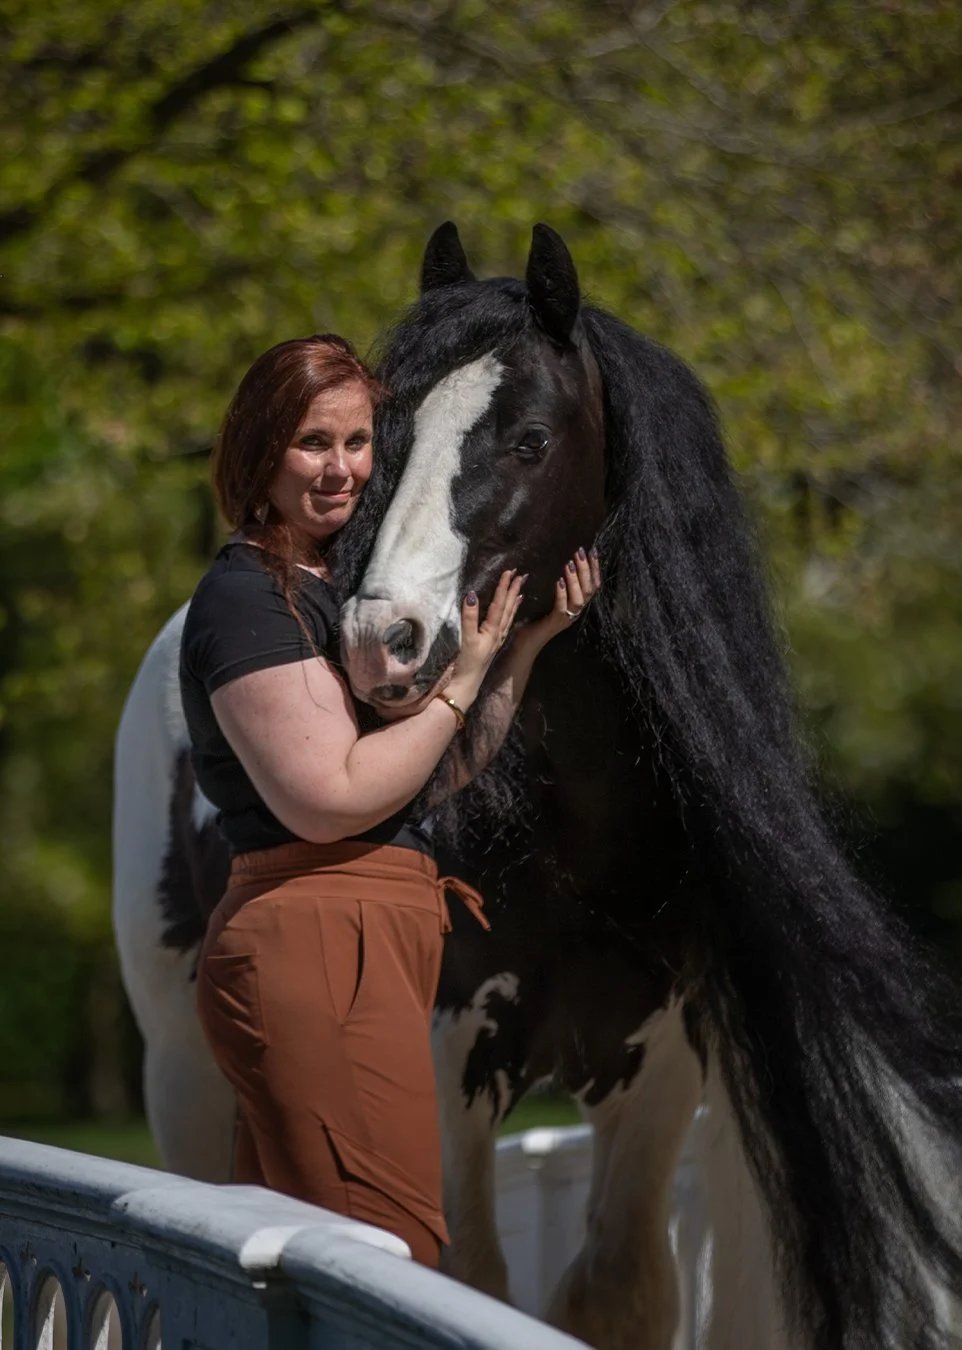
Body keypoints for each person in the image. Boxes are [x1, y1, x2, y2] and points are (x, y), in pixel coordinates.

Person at [181, 333, 598, 1269]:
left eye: (360, 442)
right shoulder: (246, 599)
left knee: (306, 1267)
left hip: (365, 945)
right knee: (385, 1256)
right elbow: (331, 798)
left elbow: (434, 773)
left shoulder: (330, 592)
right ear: (258, 452)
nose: (342, 470)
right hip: (315, 941)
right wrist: (466, 678)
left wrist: (522, 648)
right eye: (312, 443)